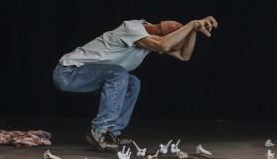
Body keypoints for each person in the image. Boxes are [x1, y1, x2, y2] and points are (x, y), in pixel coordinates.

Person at [53, 17, 217, 150]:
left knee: (132, 83)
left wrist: (193, 31)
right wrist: (191, 24)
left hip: (88, 77)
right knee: (118, 73)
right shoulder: (132, 28)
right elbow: (164, 45)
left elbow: (184, 56)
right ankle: (99, 131)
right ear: (161, 31)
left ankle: (110, 133)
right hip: (69, 72)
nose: (174, 46)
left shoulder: (149, 42)